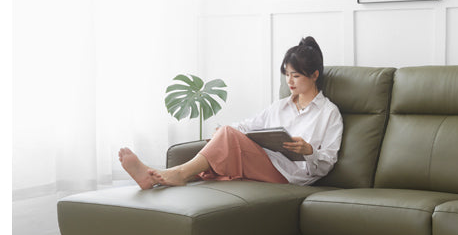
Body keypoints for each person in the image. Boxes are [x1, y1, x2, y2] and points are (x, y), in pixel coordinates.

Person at [119, 36, 343, 189]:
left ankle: (174, 174)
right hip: (267, 161)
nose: (289, 81)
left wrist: (309, 150)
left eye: (296, 76)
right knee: (228, 134)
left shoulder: (329, 113)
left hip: (290, 176)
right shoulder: (280, 106)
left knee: (228, 139)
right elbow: (248, 125)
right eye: (287, 74)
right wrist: (223, 132)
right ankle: (157, 178)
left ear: (314, 75)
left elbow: (328, 161)